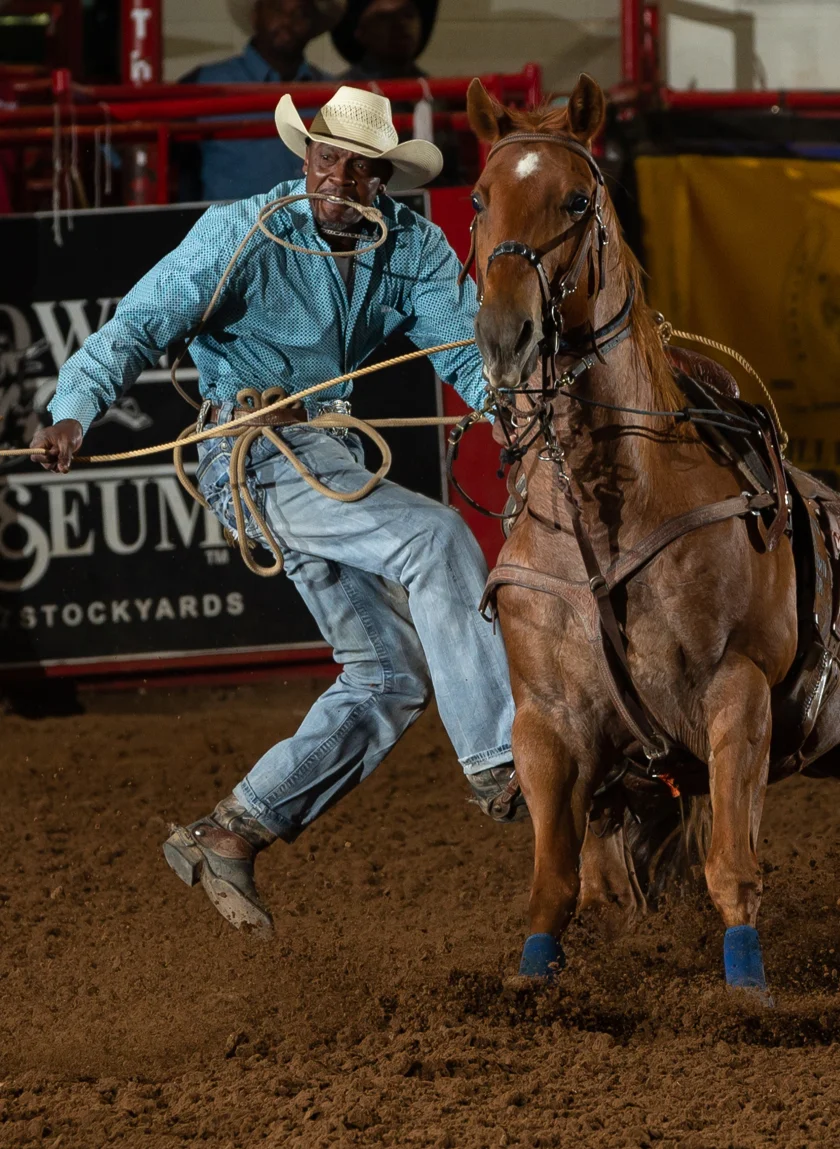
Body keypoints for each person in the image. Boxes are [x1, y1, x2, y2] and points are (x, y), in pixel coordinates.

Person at [31, 86, 523, 936]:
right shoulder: (243, 231)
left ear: (379, 178)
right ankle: (501, 759)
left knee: (389, 675)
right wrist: (73, 409)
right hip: (248, 448)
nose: (339, 179)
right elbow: (140, 325)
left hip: (320, 457)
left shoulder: (409, 247)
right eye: (326, 160)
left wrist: (512, 413)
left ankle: (232, 829)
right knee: (437, 536)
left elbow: (462, 353)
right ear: (306, 161)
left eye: (359, 169)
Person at [180, 0, 345, 201]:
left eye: (301, 13)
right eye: (277, 8)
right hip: (234, 228)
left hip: (314, 228)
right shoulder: (203, 84)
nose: (287, 21)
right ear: (255, 15)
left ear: (313, 23)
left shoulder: (333, 92)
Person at [331, 0, 436, 83]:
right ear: (360, 31)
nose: (401, 23)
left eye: (409, 15)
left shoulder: (437, 95)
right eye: (385, 17)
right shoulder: (341, 95)